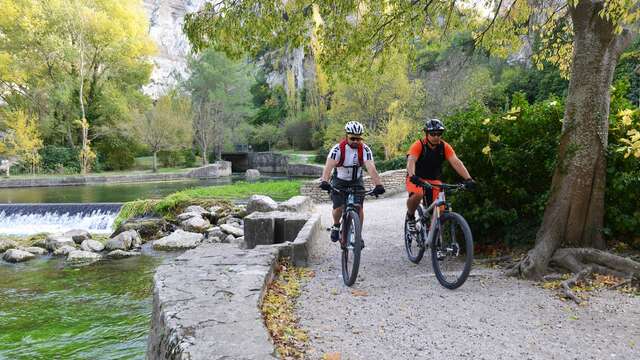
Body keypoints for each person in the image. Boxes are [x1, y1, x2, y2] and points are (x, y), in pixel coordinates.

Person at [319, 121, 386, 245]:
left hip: (356, 181)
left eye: (358, 138)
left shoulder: (365, 149)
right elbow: (328, 167)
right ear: (346, 136)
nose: (356, 141)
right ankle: (336, 225)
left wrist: (378, 184)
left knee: (359, 207)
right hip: (339, 181)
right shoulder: (338, 149)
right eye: (352, 138)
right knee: (339, 207)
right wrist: (324, 181)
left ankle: (358, 235)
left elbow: (371, 168)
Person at [405, 118, 475, 234]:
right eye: (433, 134)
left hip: (434, 180)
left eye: (439, 134)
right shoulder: (419, 145)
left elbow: (456, 162)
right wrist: (412, 175)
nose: (436, 137)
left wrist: (468, 179)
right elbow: (411, 160)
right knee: (418, 194)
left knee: (440, 209)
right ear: (426, 134)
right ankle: (410, 216)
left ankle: (433, 237)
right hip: (416, 178)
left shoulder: (444, 146)